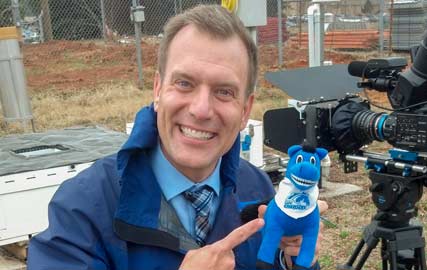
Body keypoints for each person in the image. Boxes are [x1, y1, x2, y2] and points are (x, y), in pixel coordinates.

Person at [27, 4, 327, 270]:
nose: (201, 109)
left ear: (245, 109)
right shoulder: (84, 208)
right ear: (158, 90)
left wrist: (292, 262)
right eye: (184, 83)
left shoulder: (256, 187)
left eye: (224, 91)